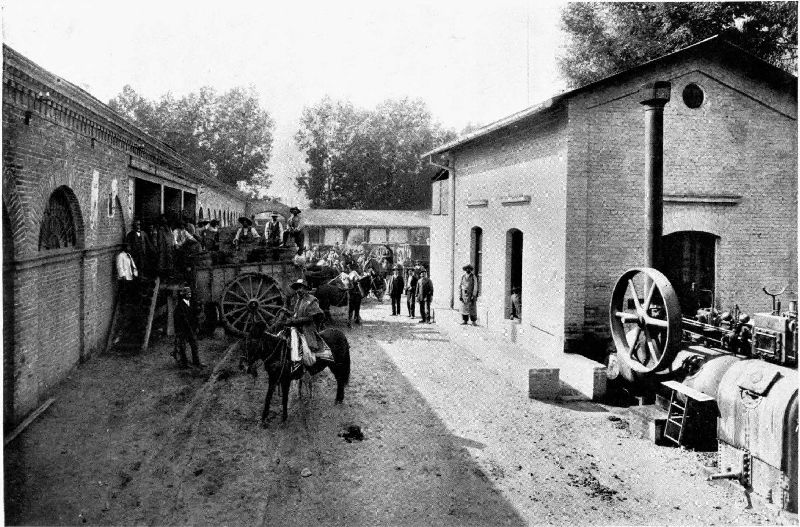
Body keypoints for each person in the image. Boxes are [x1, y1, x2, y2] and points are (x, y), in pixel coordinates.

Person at [285, 279, 333, 367]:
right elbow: (296, 313)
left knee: (306, 350)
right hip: (296, 326)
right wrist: (289, 314)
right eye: (298, 288)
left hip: (307, 328)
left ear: (306, 289)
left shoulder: (312, 300)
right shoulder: (298, 300)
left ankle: (306, 366)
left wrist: (295, 321)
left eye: (301, 288)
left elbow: (311, 318)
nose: (299, 290)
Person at [173, 286, 204, 368]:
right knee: (182, 347)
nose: (189, 294)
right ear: (183, 295)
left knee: (194, 345)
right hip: (183, 330)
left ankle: (197, 363)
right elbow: (178, 320)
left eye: (190, 292)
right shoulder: (179, 306)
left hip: (191, 329)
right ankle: (184, 364)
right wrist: (179, 331)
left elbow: (196, 316)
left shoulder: (192, 303)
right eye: (187, 293)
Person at [344, 263, 363, 327]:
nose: (348, 269)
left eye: (348, 268)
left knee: (352, 308)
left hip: (353, 293)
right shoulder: (353, 273)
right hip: (354, 293)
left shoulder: (352, 273)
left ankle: (352, 320)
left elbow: (355, 280)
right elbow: (357, 280)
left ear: (350, 268)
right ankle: (353, 320)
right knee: (355, 307)